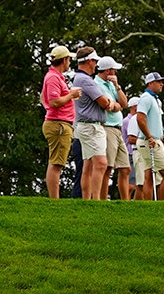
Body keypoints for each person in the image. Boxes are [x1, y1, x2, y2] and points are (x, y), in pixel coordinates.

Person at [73, 47, 118, 200]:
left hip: (85, 126)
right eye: (95, 62)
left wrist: (109, 103)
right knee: (100, 164)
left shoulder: (78, 78)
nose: (96, 65)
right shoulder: (86, 80)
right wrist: (111, 103)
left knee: (88, 166)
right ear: (90, 61)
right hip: (92, 126)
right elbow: (104, 102)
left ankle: (87, 200)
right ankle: (96, 200)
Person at [40, 45, 81, 198]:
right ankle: (54, 200)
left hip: (60, 123)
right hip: (58, 124)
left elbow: (45, 98)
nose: (69, 63)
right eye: (69, 59)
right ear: (64, 60)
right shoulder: (53, 78)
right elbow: (54, 101)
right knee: (56, 164)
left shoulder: (55, 77)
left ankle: (54, 199)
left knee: (57, 163)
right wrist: (71, 95)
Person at [135, 72, 164, 201]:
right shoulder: (146, 98)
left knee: (149, 175)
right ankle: (162, 206)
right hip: (149, 141)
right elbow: (140, 119)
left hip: (151, 140)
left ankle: (150, 205)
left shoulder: (155, 99)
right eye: (159, 82)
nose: (162, 84)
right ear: (151, 83)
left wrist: (157, 135)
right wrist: (151, 137)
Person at [95, 56, 130, 200]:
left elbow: (124, 104)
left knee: (125, 168)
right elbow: (110, 107)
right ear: (108, 70)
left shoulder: (111, 84)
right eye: (114, 69)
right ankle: (102, 201)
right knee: (107, 168)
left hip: (117, 129)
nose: (115, 72)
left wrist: (117, 86)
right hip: (107, 127)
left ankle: (125, 201)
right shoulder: (96, 84)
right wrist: (116, 106)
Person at [121, 97, 141, 200]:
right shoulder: (128, 121)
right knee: (131, 184)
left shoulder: (134, 120)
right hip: (130, 153)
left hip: (135, 153)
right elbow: (133, 137)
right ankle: (126, 202)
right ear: (135, 107)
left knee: (138, 183)